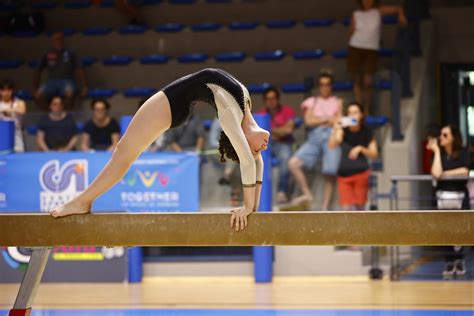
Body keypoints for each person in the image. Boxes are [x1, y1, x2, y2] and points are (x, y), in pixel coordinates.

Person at [49, 68, 270, 232]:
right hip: (176, 104)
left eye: (256, 150)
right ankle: (83, 200)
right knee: (123, 154)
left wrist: (249, 207)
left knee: (123, 154)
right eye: (257, 150)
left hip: (172, 103)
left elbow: (250, 161)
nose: (261, 150)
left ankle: (82, 201)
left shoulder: (231, 117)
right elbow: (251, 161)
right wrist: (252, 205)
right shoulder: (243, 105)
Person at [288, 72, 342, 210]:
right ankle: (307, 193)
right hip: (315, 137)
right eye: (322, 84)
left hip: (331, 136)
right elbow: (308, 121)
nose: (325, 87)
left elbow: (338, 121)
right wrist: (327, 119)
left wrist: (320, 119)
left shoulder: (337, 101)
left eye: (327, 84)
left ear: (331, 86)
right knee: (294, 163)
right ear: (319, 86)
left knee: (330, 171)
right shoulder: (311, 101)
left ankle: (325, 208)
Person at [348, 0, 407, 113]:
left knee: (368, 82)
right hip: (355, 47)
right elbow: (351, 31)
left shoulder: (378, 11)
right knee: (356, 79)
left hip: (371, 49)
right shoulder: (356, 14)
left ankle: (366, 108)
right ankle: (358, 108)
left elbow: (398, 8)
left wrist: (401, 15)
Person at [426, 124, 469, 279]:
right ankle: (449, 261)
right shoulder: (439, 155)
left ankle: (459, 259)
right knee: (445, 230)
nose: (441, 138)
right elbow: (436, 173)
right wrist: (436, 151)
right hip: (442, 197)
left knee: (461, 230)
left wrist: (446, 173)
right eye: (440, 135)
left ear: (453, 138)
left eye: (445, 135)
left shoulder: (463, 152)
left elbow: (464, 170)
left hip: (459, 197)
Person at [329, 102, 378, 210]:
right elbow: (333, 145)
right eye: (350, 113)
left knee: (360, 208)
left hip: (361, 174)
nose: (352, 115)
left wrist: (361, 148)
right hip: (344, 175)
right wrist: (335, 128)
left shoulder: (367, 131)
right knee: (346, 210)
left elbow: (374, 154)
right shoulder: (343, 130)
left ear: (361, 115)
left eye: (355, 112)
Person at [257, 86, 295, 204]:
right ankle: (255, 194)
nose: (271, 101)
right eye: (268, 99)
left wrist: (268, 131)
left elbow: (288, 130)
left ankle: (282, 191)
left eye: (273, 98)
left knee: (285, 158)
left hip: (283, 143)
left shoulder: (288, 111)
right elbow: (257, 133)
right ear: (264, 100)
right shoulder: (260, 113)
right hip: (265, 145)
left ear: (278, 99)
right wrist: (278, 131)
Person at [33, 32, 88, 110]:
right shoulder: (47, 52)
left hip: (68, 80)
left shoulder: (71, 52)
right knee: (38, 95)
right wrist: (34, 88)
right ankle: (49, 116)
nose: (58, 41)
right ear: (52, 40)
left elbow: (80, 69)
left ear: (63, 39)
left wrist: (84, 87)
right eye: (55, 39)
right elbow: (38, 70)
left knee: (69, 93)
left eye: (59, 39)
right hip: (51, 82)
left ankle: (65, 117)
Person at [0, 79, 26, 153]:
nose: (6, 93)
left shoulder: (19, 102)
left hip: (16, 134)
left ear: (12, 91)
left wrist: (7, 110)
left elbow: (22, 110)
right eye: (4, 90)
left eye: (9, 90)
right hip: (2, 134)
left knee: (19, 155)